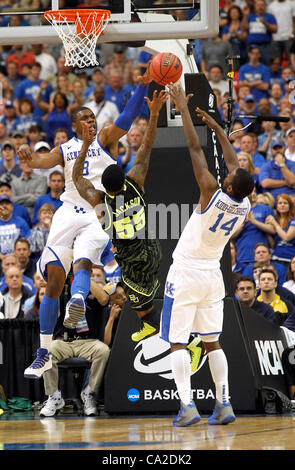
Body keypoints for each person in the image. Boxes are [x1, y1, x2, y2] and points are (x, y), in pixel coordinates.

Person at [17, 67, 153, 379]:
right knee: (53, 278)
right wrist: (28, 157)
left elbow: (128, 116)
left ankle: (77, 300)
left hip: (97, 212)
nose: (92, 123)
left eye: (93, 118)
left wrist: (139, 88)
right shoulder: (64, 149)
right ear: (76, 126)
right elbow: (38, 162)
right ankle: (43, 353)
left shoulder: (105, 137)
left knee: (82, 262)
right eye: (86, 120)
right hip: (67, 212)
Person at [72, 89, 202, 369]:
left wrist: (84, 146)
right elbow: (147, 144)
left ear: (104, 187)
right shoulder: (136, 180)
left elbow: (76, 178)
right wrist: (154, 113)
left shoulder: (99, 200)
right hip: (152, 247)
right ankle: (149, 322)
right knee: (128, 297)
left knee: (137, 304)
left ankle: (189, 342)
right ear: (124, 176)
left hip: (134, 260)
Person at [160, 83, 253, 427]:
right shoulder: (244, 206)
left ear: (229, 185)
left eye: (229, 176)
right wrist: (216, 127)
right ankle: (224, 404)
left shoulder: (211, 192)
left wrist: (183, 108)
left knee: (176, 342)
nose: (228, 171)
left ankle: (187, 407)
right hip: (213, 276)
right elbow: (233, 164)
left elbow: (193, 148)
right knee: (213, 342)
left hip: (185, 273)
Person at [39, 278, 118, 417]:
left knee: (103, 350)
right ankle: (54, 397)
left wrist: (83, 275)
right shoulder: (63, 290)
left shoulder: (94, 290)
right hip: (64, 341)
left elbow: (104, 300)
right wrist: (56, 280)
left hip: (88, 342)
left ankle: (89, 393)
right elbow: (52, 311)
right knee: (47, 350)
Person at [265, 193, 295, 265]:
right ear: (277, 206)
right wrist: (267, 232)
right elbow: (273, 244)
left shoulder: (293, 220)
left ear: (290, 206)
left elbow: (287, 237)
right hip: (276, 257)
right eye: (280, 203)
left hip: (290, 259)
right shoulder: (275, 219)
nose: (282, 205)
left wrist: (275, 224)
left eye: (285, 203)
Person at [0, 195, 31, 259]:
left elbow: (26, 242)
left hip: (18, 259)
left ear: (12, 207)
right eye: (1, 204)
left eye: (7, 204)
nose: (4, 206)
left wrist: (15, 256)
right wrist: (2, 257)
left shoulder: (21, 222)